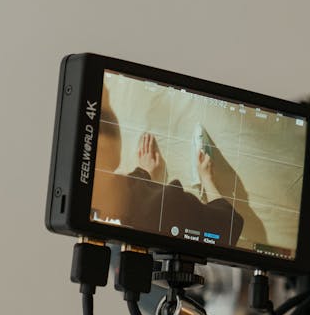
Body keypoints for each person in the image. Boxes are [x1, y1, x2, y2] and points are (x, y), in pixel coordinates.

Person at [91, 91, 242, 246]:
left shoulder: (98, 225)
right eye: (105, 113)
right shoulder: (168, 207)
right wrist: (207, 179)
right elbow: (231, 225)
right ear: (104, 147)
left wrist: (144, 174)